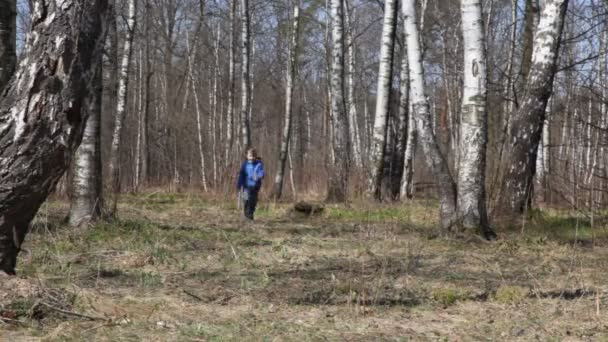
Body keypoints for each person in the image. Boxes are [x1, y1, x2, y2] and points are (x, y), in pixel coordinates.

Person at [237, 148, 265, 220]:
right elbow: (241, 175)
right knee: (246, 200)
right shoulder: (244, 165)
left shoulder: (258, 164)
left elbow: (262, 173)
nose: (251, 158)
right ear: (247, 156)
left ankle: (250, 214)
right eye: (250, 156)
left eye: (253, 156)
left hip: (255, 186)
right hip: (246, 186)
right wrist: (239, 184)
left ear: (255, 156)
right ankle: (246, 214)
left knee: (252, 201)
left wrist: (259, 176)